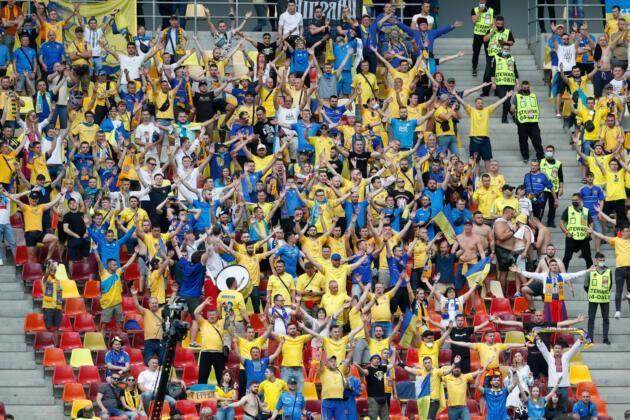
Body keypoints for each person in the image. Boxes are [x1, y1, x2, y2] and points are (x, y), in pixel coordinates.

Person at [588, 225, 630, 320]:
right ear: (622, 232)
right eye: (627, 230)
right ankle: (618, 311)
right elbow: (603, 237)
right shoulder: (616, 240)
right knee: (619, 290)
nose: (629, 232)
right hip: (620, 269)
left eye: (629, 230)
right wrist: (593, 231)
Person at [512, 81, 544, 162]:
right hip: (522, 122)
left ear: (529, 87)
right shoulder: (517, 96)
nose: (526, 89)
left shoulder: (533, 96)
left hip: (533, 122)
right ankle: (525, 156)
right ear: (521, 87)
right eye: (524, 87)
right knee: (523, 140)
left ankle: (540, 156)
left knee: (537, 140)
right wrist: (514, 111)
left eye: (527, 87)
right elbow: (512, 108)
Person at [584, 252, 612, 344]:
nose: (602, 262)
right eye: (600, 260)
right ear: (596, 260)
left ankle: (605, 338)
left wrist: (603, 292)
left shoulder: (608, 271)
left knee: (606, 319)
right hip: (593, 299)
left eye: (603, 260)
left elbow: (610, 284)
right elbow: (586, 285)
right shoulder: (590, 271)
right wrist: (592, 293)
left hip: (605, 299)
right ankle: (590, 339)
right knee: (591, 319)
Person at [559, 193, 593, 269]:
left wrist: (589, 232)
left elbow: (591, 222)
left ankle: (590, 274)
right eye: (573, 200)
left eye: (576, 200)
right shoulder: (569, 209)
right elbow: (561, 223)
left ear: (580, 200)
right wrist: (566, 232)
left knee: (588, 257)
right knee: (567, 257)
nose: (574, 201)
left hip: (584, 238)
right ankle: (563, 274)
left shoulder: (585, 211)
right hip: (571, 238)